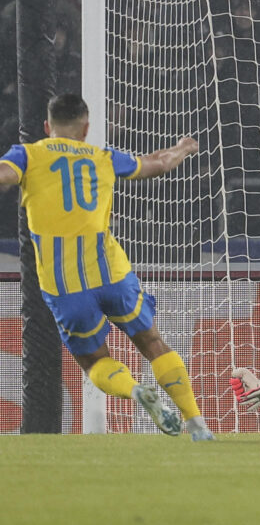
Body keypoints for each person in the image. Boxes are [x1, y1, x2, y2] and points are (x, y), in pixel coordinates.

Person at [0, 94, 214, 441]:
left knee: (94, 360)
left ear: (45, 127)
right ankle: (196, 423)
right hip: (111, 272)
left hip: (65, 284)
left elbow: (4, 174)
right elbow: (158, 163)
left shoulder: (28, 154)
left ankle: (133, 391)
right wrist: (184, 148)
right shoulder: (103, 157)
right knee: (152, 342)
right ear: (86, 128)